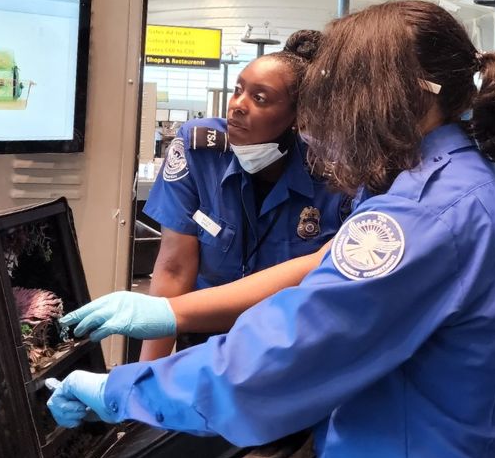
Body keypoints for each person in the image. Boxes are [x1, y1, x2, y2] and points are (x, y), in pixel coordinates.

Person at [48, 0, 495, 458]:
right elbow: (325, 267)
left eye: (348, 95)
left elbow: (278, 361)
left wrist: (122, 390)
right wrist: (169, 314)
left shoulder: (418, 214)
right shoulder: (477, 181)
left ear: (410, 97)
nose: (332, 117)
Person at [131, 30, 349, 361]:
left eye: (259, 98)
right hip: (203, 343)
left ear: (299, 116)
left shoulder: (336, 176)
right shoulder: (199, 151)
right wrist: (145, 376)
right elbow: (174, 268)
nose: (237, 106)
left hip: (291, 349)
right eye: (238, 90)